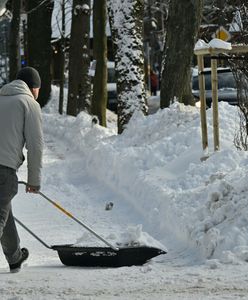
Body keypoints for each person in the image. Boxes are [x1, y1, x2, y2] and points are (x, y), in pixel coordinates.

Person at [0, 67, 43, 272]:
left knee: (4, 208)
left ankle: (14, 257)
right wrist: (34, 181)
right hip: (3, 170)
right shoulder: (29, 103)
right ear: (33, 87)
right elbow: (35, 146)